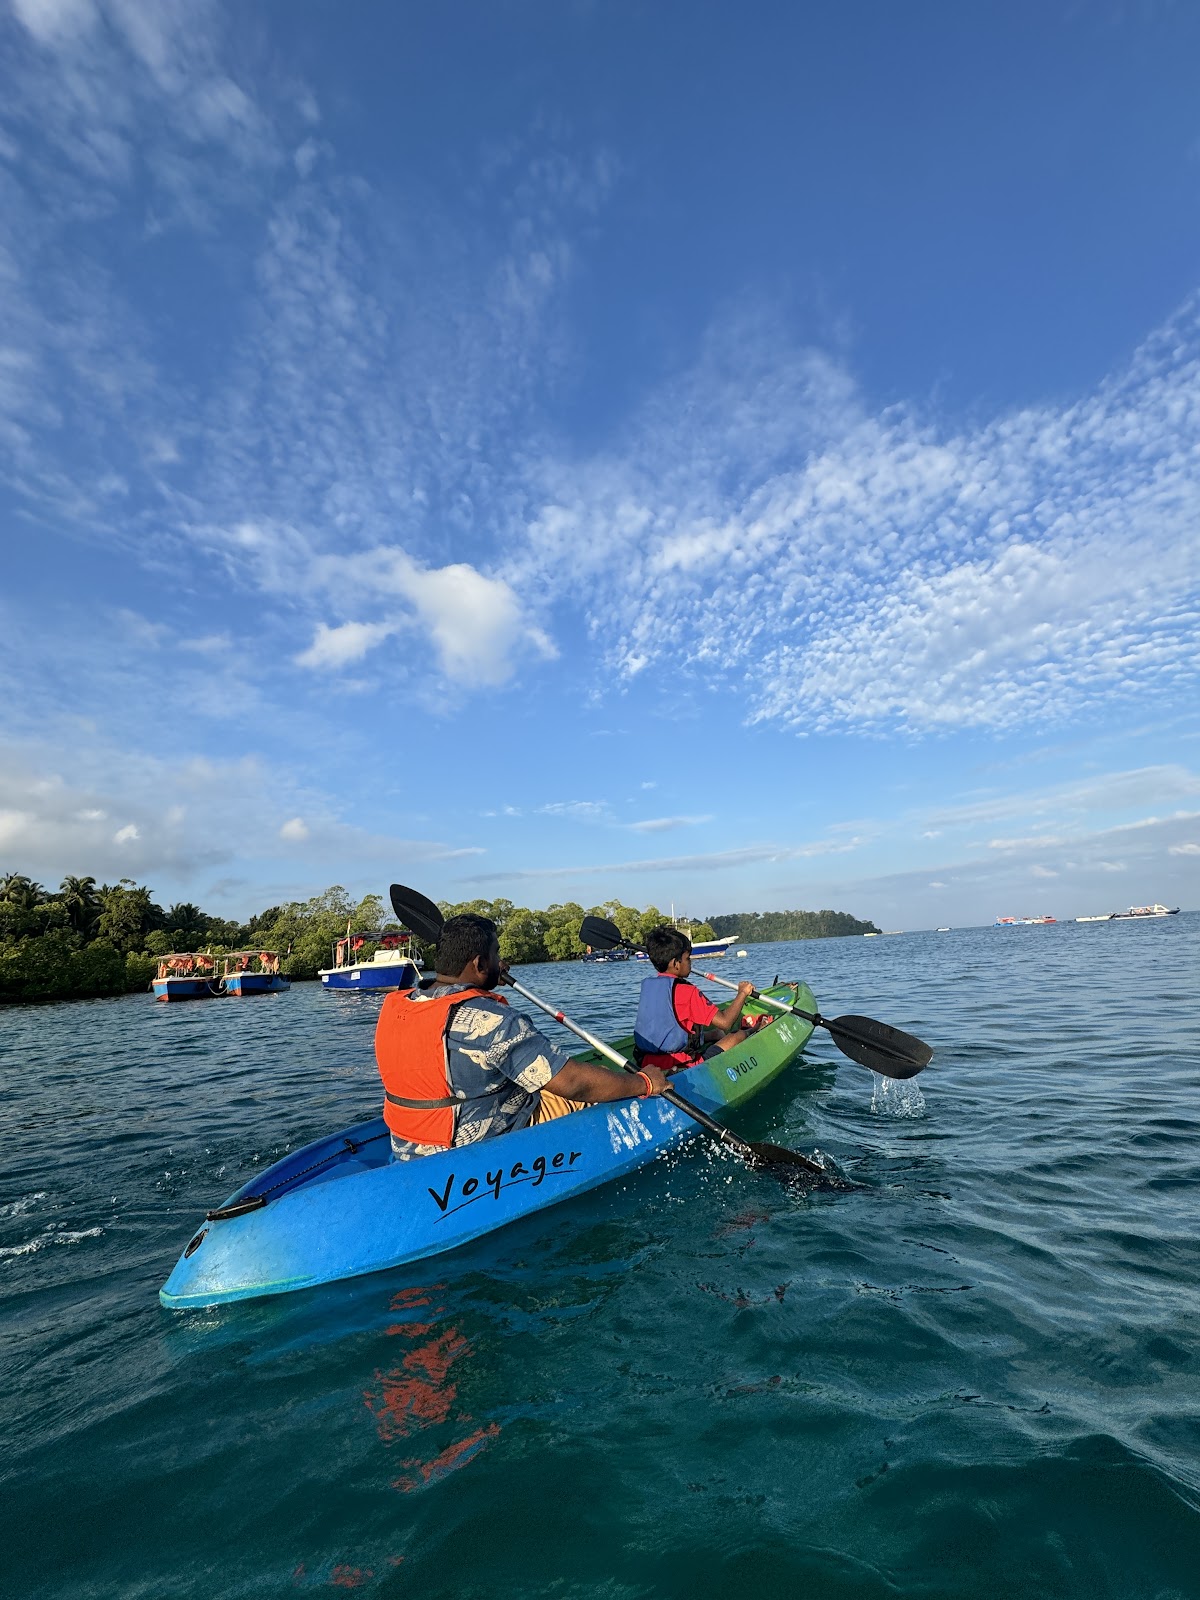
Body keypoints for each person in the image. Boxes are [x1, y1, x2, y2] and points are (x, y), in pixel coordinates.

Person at [376, 913, 669, 1160]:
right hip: (473, 1145)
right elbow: (575, 1084)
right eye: (496, 954)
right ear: (479, 964)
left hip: (408, 1141)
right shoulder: (495, 1021)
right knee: (595, 1085)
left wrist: (486, 982)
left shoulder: (402, 1004)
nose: (501, 961)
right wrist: (642, 1081)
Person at [633, 925, 767, 1075]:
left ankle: (713, 1036)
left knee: (698, 1028)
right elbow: (725, 1022)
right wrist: (742, 993)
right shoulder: (687, 991)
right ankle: (757, 1028)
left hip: (646, 1063)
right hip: (681, 1065)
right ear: (676, 964)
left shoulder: (648, 986)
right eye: (687, 958)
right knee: (736, 1036)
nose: (690, 962)